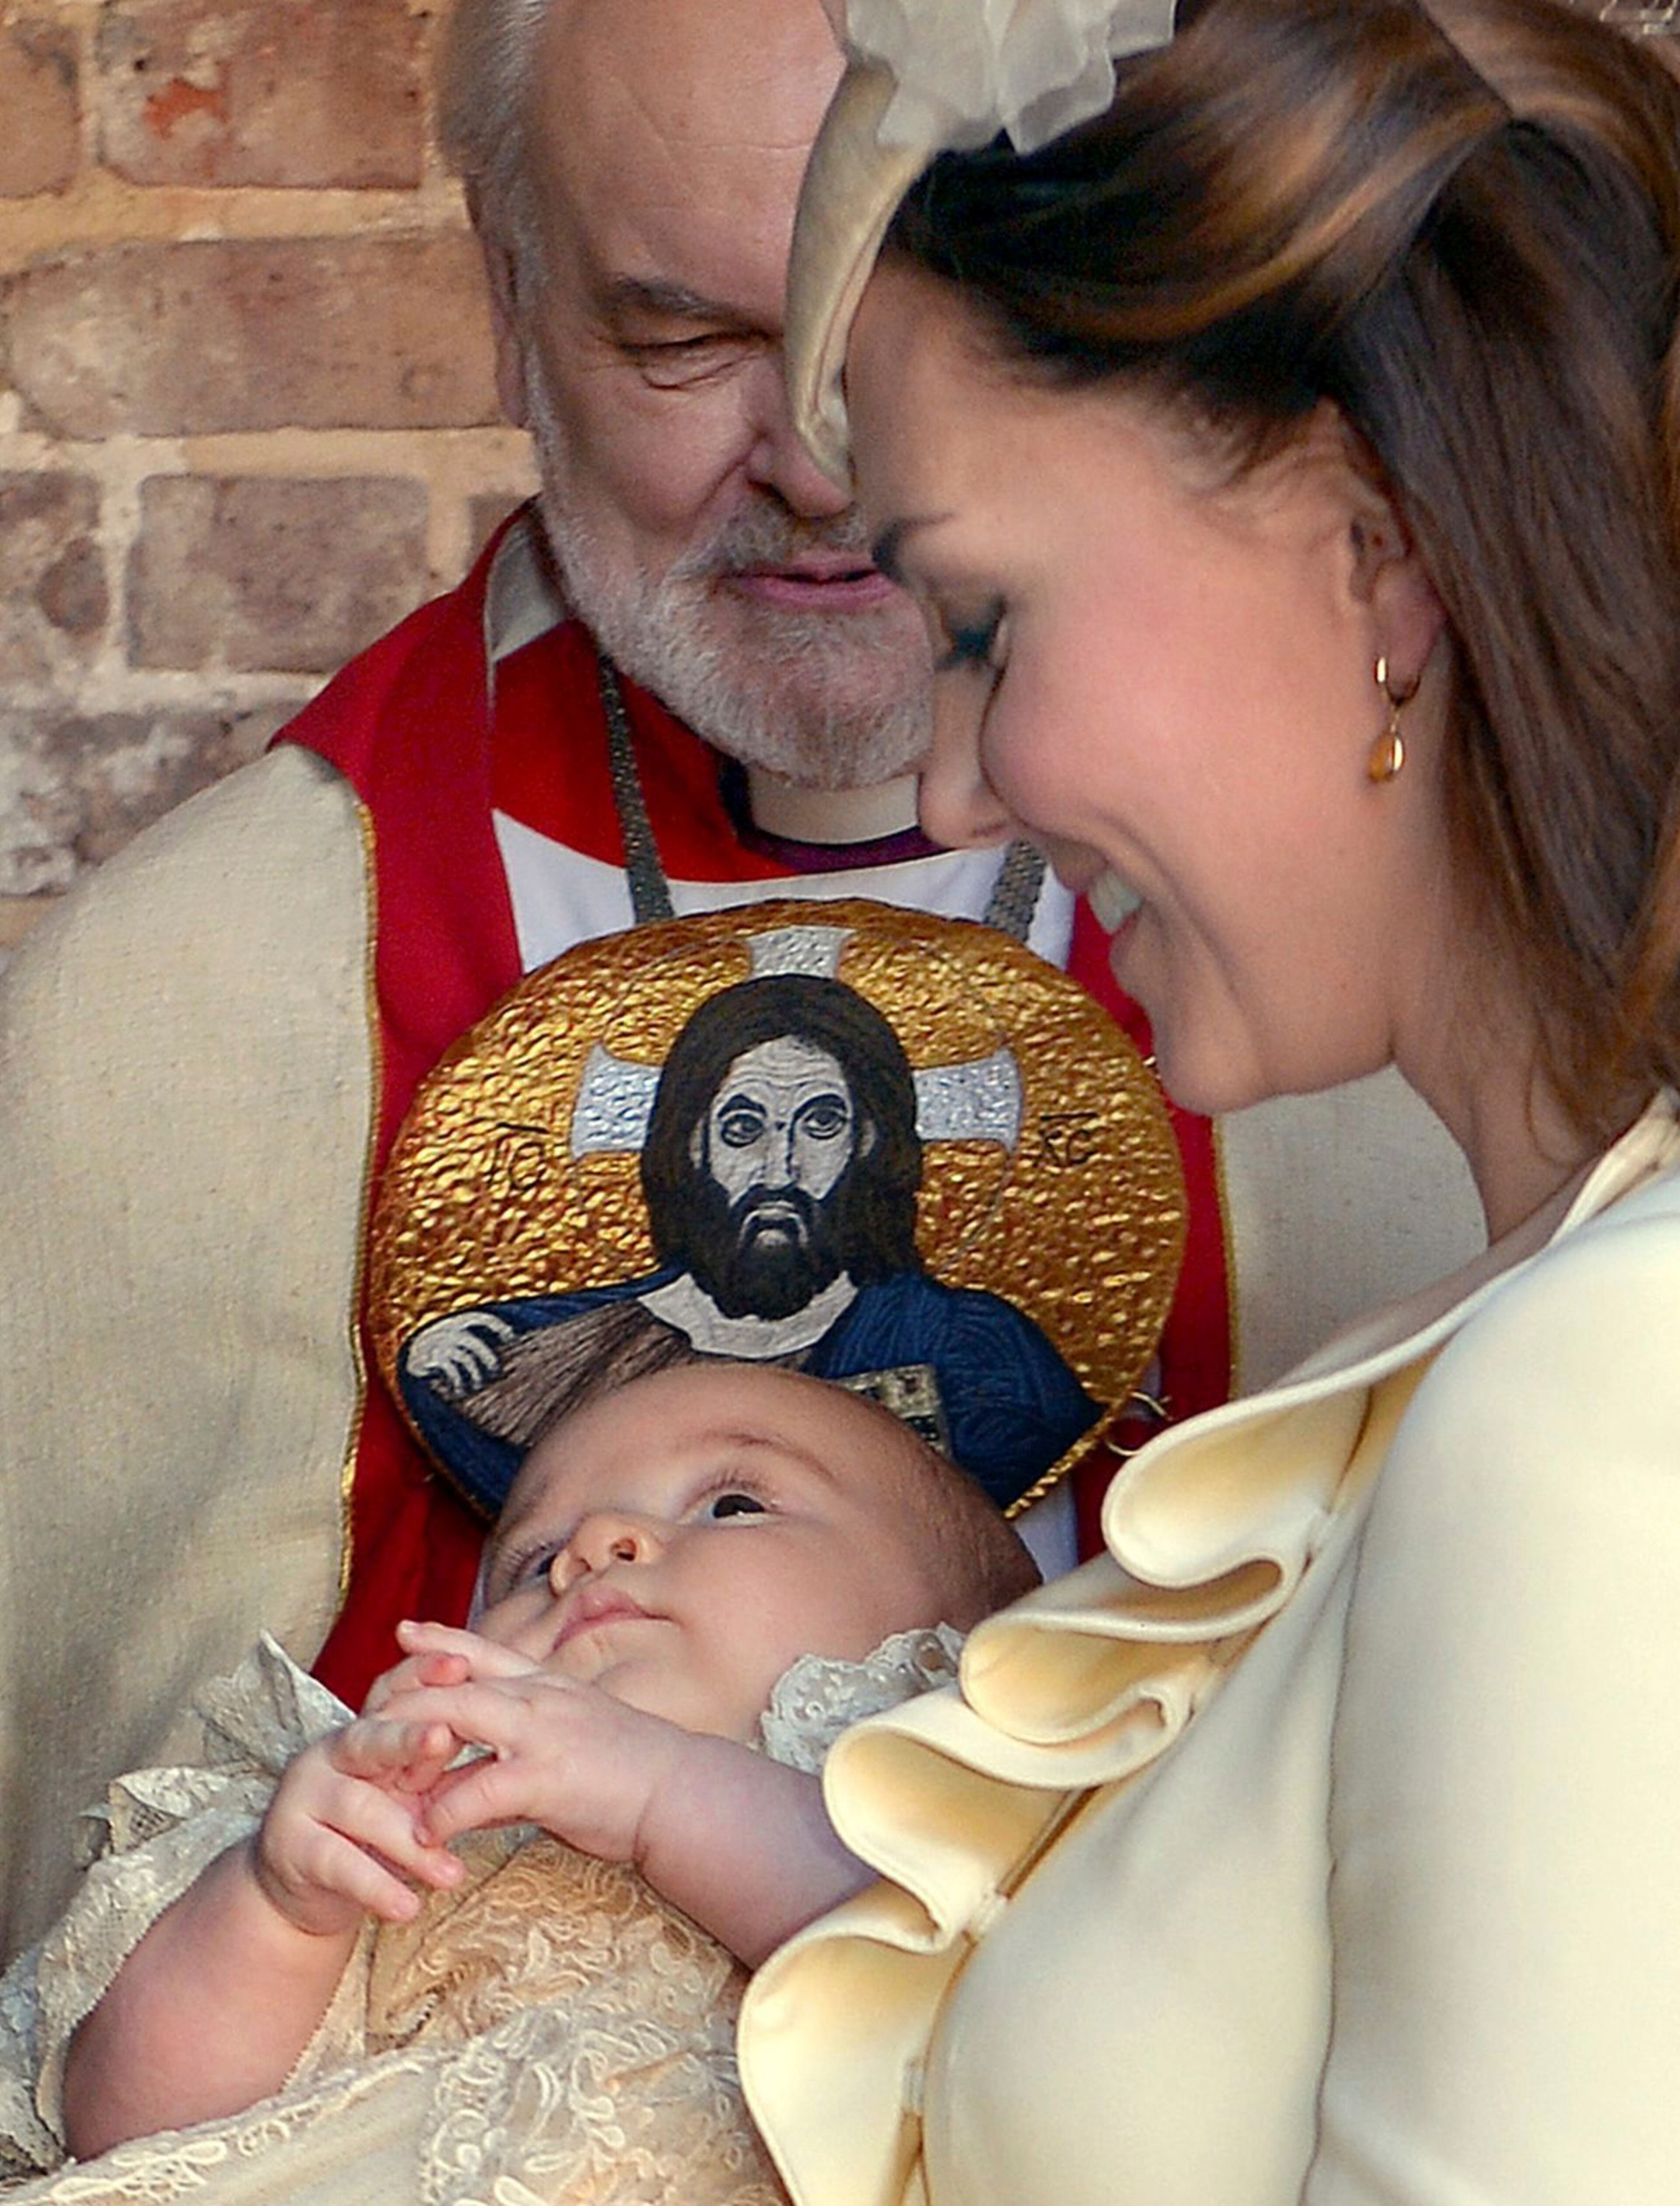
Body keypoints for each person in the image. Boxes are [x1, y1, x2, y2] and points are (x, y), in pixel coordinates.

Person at [0, 0, 1477, 1965]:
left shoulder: (1399, 929)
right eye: (689, 340)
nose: (823, 465)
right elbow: (95, 1942)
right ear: (510, 297)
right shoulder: (201, 993)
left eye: (909, 325)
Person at [733, 2, 1680, 2200]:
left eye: (981, 623)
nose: (952, 786)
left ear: (1377, 550)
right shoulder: (1523, 1343)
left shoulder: (1598, 1397)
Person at [0, 1362, 1036, 2199]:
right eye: (533, 1563)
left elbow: (986, 1999)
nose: (591, 1547)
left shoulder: (963, 1780)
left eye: (732, 1503)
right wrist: (280, 1909)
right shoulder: (408, 1818)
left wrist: (663, 1794)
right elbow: (127, 2136)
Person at [401, 971, 1098, 1510]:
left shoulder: (975, 1352)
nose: (779, 1170)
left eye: (820, 1124)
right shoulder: (548, 1352)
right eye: (742, 1128)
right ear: (691, 1145)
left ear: (868, 1140)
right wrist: (438, 1355)